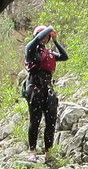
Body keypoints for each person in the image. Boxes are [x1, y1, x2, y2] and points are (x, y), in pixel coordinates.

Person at [24, 24, 69, 156]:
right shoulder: (31, 49)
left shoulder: (49, 53)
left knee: (51, 121)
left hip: (48, 88)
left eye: (47, 37)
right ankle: (32, 150)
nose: (44, 39)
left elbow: (65, 56)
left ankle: (48, 152)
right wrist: (49, 29)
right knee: (35, 120)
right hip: (35, 88)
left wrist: (55, 40)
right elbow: (36, 39)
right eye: (43, 37)